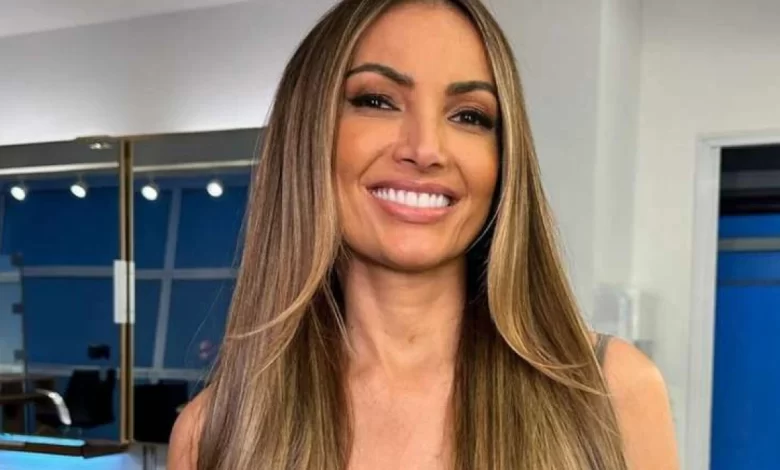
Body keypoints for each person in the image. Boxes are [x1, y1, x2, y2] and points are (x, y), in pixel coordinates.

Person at [169, 0, 679, 468]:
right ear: (308, 134)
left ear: (504, 161)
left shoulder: (615, 393)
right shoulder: (212, 433)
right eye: (377, 101)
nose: (426, 149)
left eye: (469, 115)